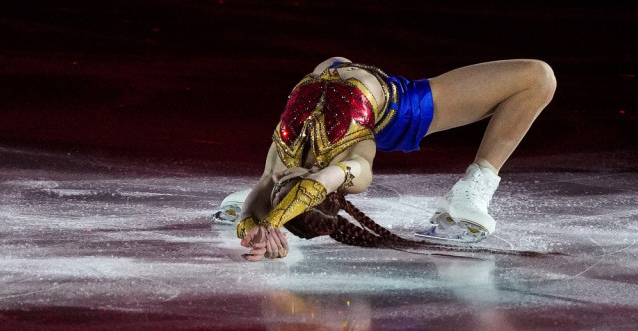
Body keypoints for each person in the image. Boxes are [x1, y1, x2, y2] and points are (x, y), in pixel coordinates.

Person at [222, 57, 556, 261]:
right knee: (539, 78)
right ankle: (476, 183)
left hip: (339, 75)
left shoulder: (285, 151)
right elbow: (318, 182)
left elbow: (270, 182)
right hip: (396, 111)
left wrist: (255, 227)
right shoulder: (354, 163)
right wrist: (272, 223)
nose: (277, 181)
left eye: (278, 188)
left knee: (331, 63)